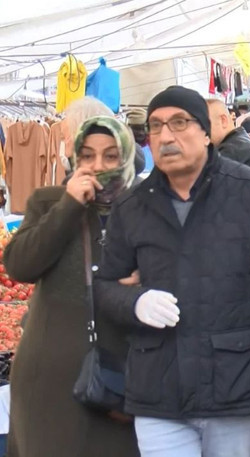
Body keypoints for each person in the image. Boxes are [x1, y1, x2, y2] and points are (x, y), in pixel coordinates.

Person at [92, 86, 250, 457]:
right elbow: (104, 286)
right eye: (156, 127)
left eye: (179, 123)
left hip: (236, 386)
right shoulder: (131, 207)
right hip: (159, 391)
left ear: (205, 131)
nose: (166, 136)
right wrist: (134, 302)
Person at [5, 116, 140, 457]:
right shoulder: (48, 202)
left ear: (126, 157)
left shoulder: (145, 208)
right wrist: (69, 206)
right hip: (49, 379)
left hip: (119, 378)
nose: (98, 166)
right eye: (88, 155)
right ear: (75, 158)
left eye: (110, 156)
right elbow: (20, 265)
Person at [206, 99, 250, 171]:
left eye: (205, 124)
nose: (202, 132)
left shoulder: (231, 152)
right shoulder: (242, 143)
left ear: (223, 121)